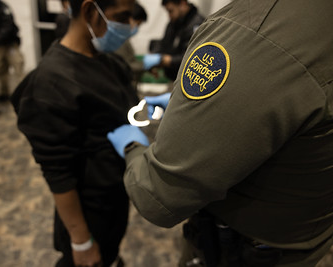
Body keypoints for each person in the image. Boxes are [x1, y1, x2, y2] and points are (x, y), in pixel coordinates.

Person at [107, 0, 333, 266]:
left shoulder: (254, 30)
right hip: (305, 235)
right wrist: (206, 107)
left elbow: (158, 196)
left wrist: (132, 146)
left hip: (245, 251)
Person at [11, 0, 139, 266]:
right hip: (90, 207)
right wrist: (81, 240)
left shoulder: (108, 61)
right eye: (121, 17)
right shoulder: (51, 82)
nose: (128, 26)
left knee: (110, 251)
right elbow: (58, 172)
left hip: (115, 191)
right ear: (91, 11)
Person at [143, 0, 204, 81]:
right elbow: (165, 44)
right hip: (173, 78)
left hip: (189, 81)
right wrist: (156, 56)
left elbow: (193, 58)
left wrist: (166, 60)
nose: (169, 15)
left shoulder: (198, 25)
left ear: (182, 4)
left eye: (171, 11)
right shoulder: (174, 22)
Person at [115, 2, 147, 74]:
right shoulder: (119, 39)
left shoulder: (124, 39)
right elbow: (126, 65)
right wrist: (145, 65)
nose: (137, 28)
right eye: (137, 24)